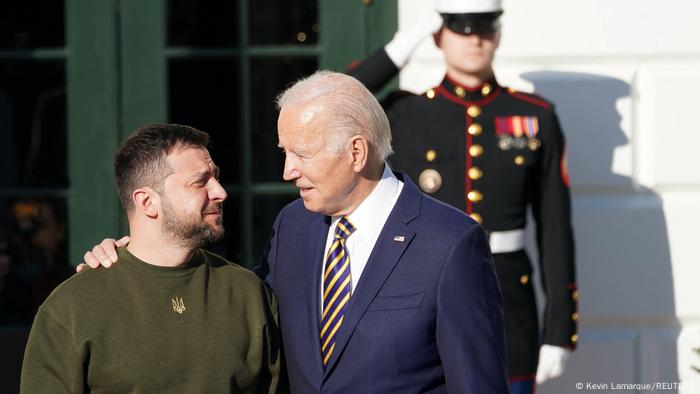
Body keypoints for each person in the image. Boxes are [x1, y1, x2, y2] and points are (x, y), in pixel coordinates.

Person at [82, 72, 508, 393]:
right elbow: (235, 308)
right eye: (286, 153)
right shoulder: (294, 224)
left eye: (301, 154)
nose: (288, 171)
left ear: (356, 152)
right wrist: (135, 261)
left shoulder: (450, 243)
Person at [348, 0, 578, 392]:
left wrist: (560, 328)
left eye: (485, 29)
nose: (474, 39)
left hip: (507, 307)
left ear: (499, 34)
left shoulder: (534, 116)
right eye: (461, 28)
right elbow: (339, 97)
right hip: (421, 302)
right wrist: (401, 47)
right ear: (439, 36)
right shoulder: (406, 112)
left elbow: (555, 229)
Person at [21, 124, 283, 393]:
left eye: (215, 177)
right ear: (146, 201)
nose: (220, 192)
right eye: (200, 182)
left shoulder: (248, 294)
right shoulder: (72, 308)